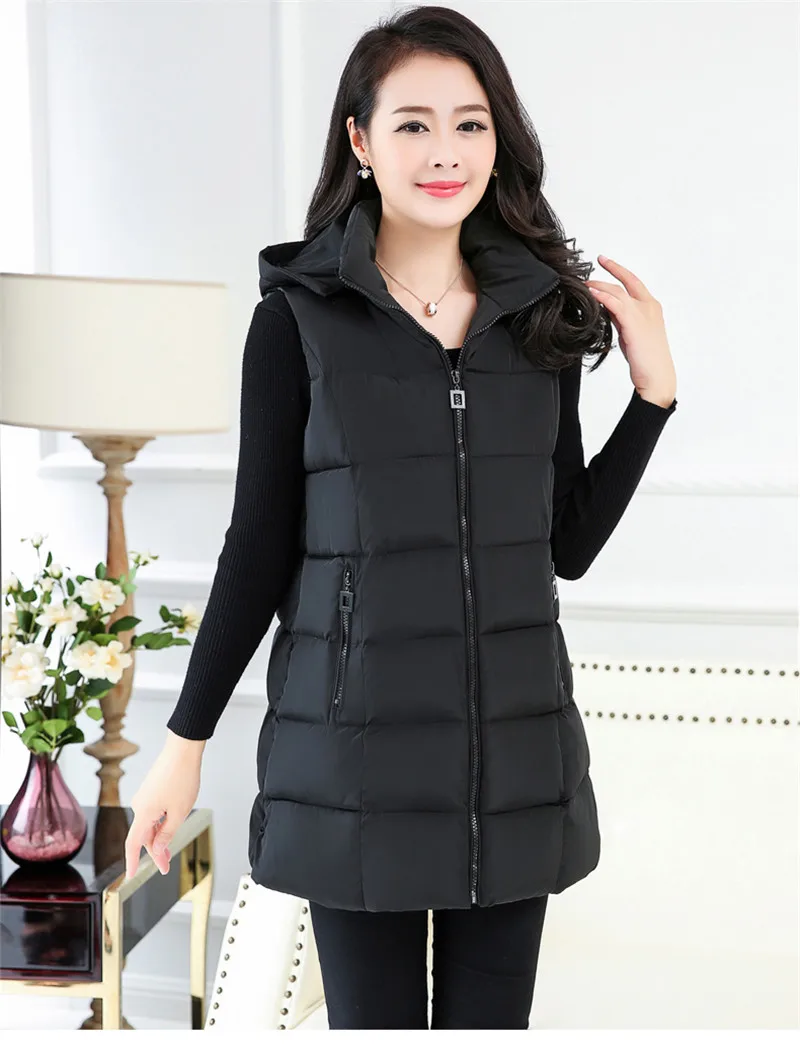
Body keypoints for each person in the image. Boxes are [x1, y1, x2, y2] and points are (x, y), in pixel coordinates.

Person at [124, 5, 677, 1030]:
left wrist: (651, 400)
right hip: (355, 765)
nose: (444, 152)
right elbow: (258, 545)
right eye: (413, 124)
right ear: (361, 141)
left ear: (498, 141)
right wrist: (183, 740)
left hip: (513, 769)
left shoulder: (539, 318)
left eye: (470, 124)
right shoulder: (296, 322)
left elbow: (566, 544)